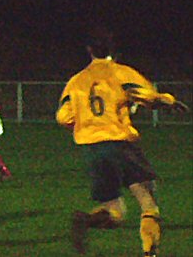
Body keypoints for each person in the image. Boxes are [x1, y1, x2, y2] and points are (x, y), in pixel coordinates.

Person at [56, 31, 189, 256]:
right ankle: (150, 253)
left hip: (92, 148)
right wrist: (168, 101)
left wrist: (86, 125)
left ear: (89, 51)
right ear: (114, 51)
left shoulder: (76, 81)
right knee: (148, 202)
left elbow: (63, 116)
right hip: (120, 143)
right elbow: (142, 94)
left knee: (116, 213)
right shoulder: (120, 72)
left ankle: (86, 220)